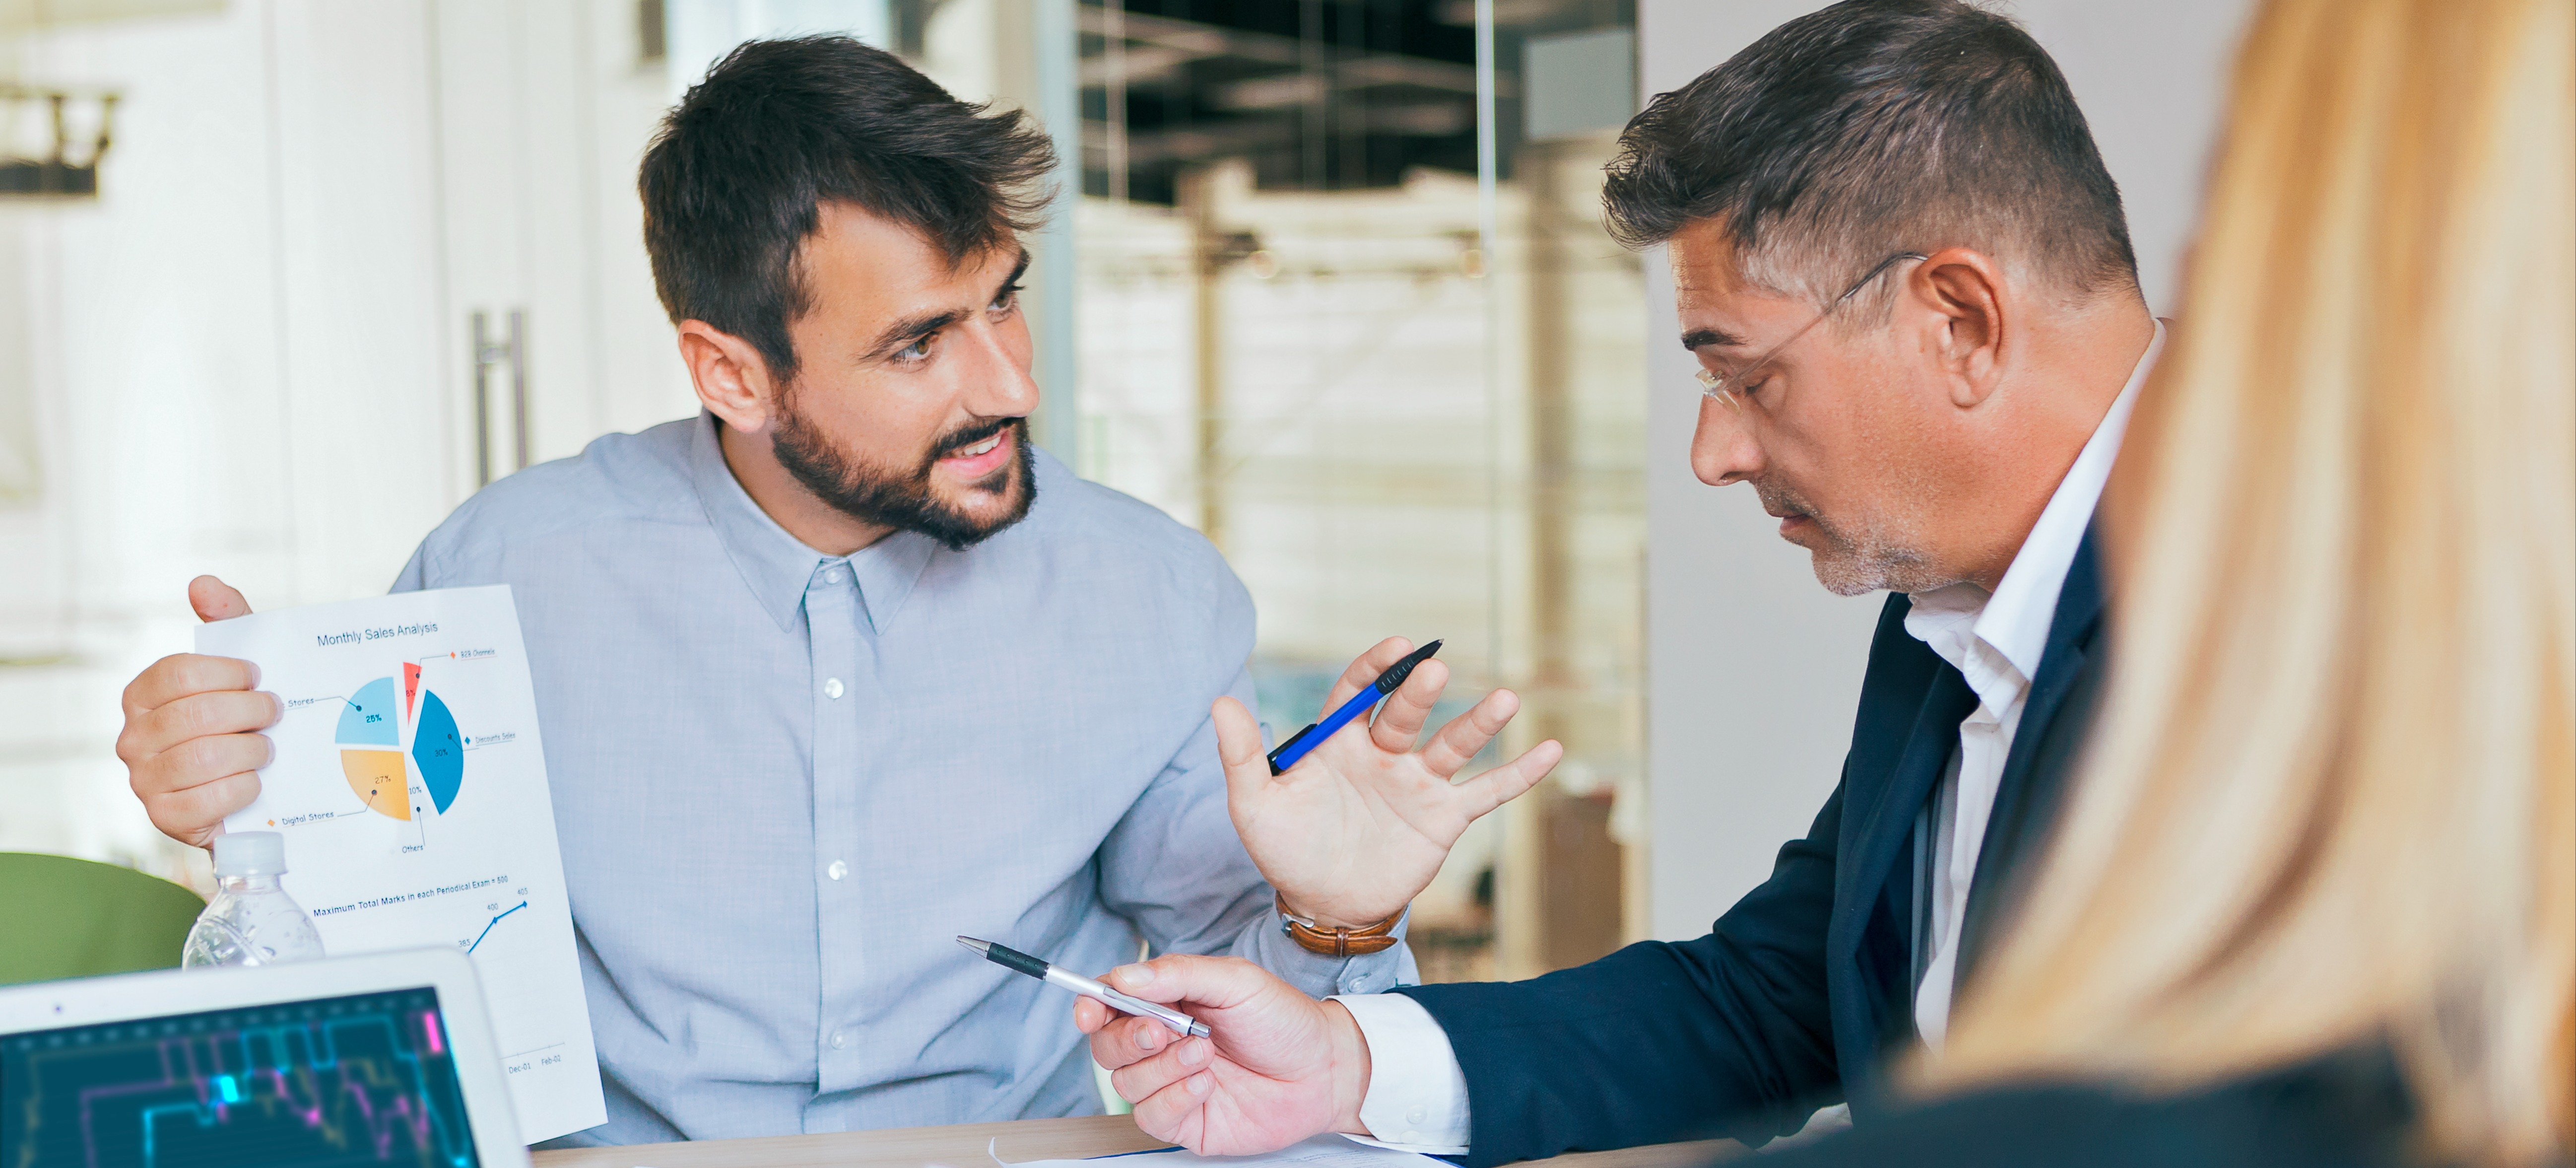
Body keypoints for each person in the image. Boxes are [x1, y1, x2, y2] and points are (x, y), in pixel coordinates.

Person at [109, 37, 1562, 1147]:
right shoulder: (510, 571)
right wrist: (242, 813)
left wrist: (1336, 920)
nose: (1011, 382)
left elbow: (1245, 1026)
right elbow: (376, 962)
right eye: (921, 343)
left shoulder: (1154, 592)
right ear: (731, 371)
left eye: (1004, 296)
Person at [1080, 0, 2175, 1159]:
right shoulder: (1956, 608)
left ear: (1959, 322)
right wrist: (1344, 1060)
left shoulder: (2301, 614)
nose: (1714, 456)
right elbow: (1766, 1001)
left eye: (1748, 379)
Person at [1754, 0, 2573, 1162]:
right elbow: (1792, 982)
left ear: (1961, 323)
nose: (2173, 314)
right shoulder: (1938, 622)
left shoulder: (2289, 655)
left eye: (2240, 223)